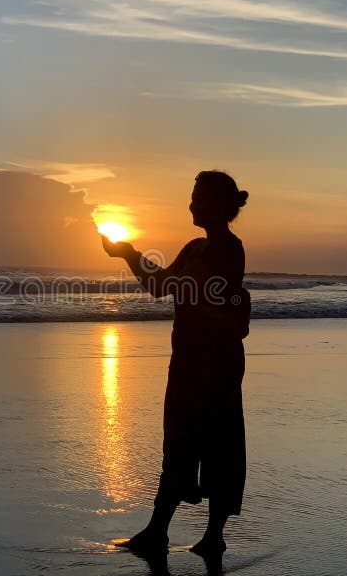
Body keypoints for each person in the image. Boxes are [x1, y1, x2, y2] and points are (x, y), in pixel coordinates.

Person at [102, 170, 251, 558]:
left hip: (215, 365)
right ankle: (159, 531)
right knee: (179, 440)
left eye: (198, 197)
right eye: (193, 196)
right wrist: (130, 254)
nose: (191, 203)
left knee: (217, 443)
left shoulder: (228, 249)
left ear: (219, 205)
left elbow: (213, 297)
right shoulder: (193, 248)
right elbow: (160, 285)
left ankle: (210, 535)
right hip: (186, 360)